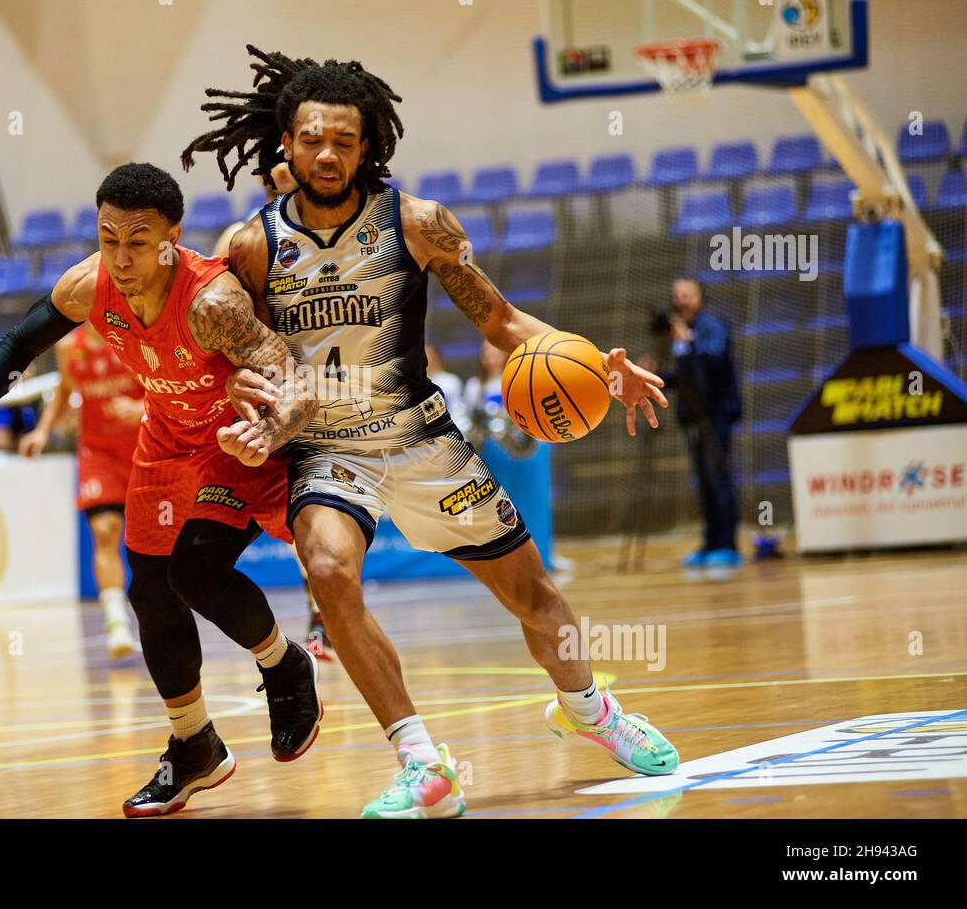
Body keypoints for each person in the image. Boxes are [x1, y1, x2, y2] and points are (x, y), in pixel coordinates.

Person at [183, 45, 677, 818]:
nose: (326, 152)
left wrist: (594, 364)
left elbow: (501, 319)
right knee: (328, 569)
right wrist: (249, 409)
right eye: (312, 137)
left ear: (369, 146)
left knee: (536, 595)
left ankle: (592, 712)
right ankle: (423, 762)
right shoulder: (249, 246)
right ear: (286, 142)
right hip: (329, 450)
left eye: (345, 140)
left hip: (421, 441)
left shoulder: (416, 223)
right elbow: (222, 349)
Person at [0, 163, 321, 817]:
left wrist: (270, 426)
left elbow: (283, 367)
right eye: (109, 238)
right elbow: (20, 337)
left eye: (138, 241)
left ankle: (283, 664)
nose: (121, 257)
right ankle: (194, 746)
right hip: (163, 441)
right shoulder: (90, 285)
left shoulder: (210, 302)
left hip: (230, 443)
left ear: (173, 237)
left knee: (194, 570)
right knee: (148, 590)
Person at [214, 163, 334, 659]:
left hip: (331, 383)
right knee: (298, 518)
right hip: (273, 386)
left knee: (324, 514)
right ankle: (314, 625)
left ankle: (326, 615)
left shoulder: (336, 229)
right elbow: (213, 317)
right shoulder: (239, 239)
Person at [18, 321, 143, 658]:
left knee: (152, 539)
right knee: (105, 530)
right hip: (97, 452)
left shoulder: (131, 334)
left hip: (143, 447)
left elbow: (160, 383)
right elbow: (63, 391)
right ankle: (116, 620)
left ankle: (165, 612)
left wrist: (142, 410)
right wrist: (42, 432)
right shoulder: (68, 347)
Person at [663, 277, 743, 568]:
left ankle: (728, 545)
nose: (681, 299)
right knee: (705, 482)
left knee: (719, 479)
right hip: (693, 417)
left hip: (716, 414)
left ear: (699, 296)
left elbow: (715, 361)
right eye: (677, 294)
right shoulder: (681, 332)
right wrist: (655, 376)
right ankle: (710, 543)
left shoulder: (710, 326)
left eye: (687, 294)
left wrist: (689, 342)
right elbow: (684, 377)